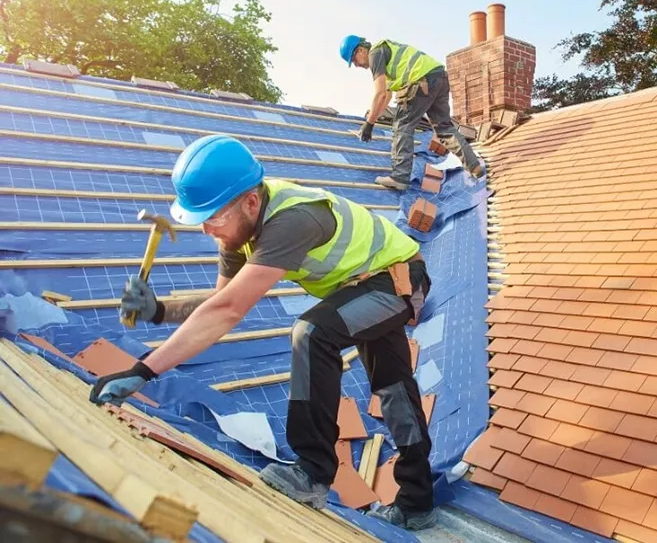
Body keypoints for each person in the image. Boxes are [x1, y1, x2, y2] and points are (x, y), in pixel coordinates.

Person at [89, 134, 438, 531]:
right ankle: (417, 502)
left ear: (251, 202)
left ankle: (313, 472)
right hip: (362, 287)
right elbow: (221, 302)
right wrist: (159, 311)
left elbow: (227, 312)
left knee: (312, 333)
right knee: (393, 388)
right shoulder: (237, 230)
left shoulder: (293, 220)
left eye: (213, 217)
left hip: (398, 279)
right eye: (200, 218)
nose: (206, 229)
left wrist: (143, 370)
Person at [339, 34, 484, 191]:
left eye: (354, 60)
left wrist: (369, 124)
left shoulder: (375, 54)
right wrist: (373, 118)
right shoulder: (386, 54)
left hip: (420, 81)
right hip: (438, 77)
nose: (356, 65)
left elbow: (379, 93)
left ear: (360, 50)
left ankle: (400, 177)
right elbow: (386, 96)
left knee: (402, 126)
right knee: (444, 129)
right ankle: (474, 166)